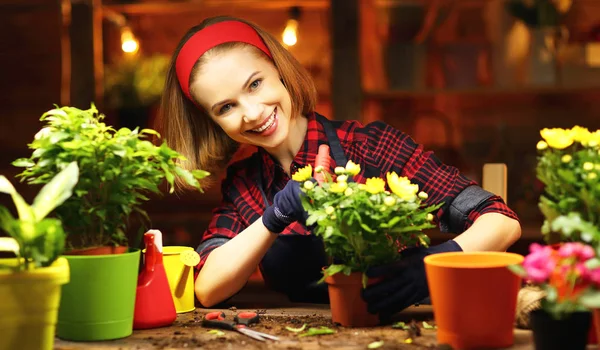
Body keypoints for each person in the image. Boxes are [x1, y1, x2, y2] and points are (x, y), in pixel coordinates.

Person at [159, 16, 522, 320]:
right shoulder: (244, 185)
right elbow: (206, 288)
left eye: (255, 84)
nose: (252, 113)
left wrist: (428, 267)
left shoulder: (371, 147)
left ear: (279, 69)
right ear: (213, 122)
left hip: (404, 332)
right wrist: (274, 216)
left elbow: (502, 221)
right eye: (226, 107)